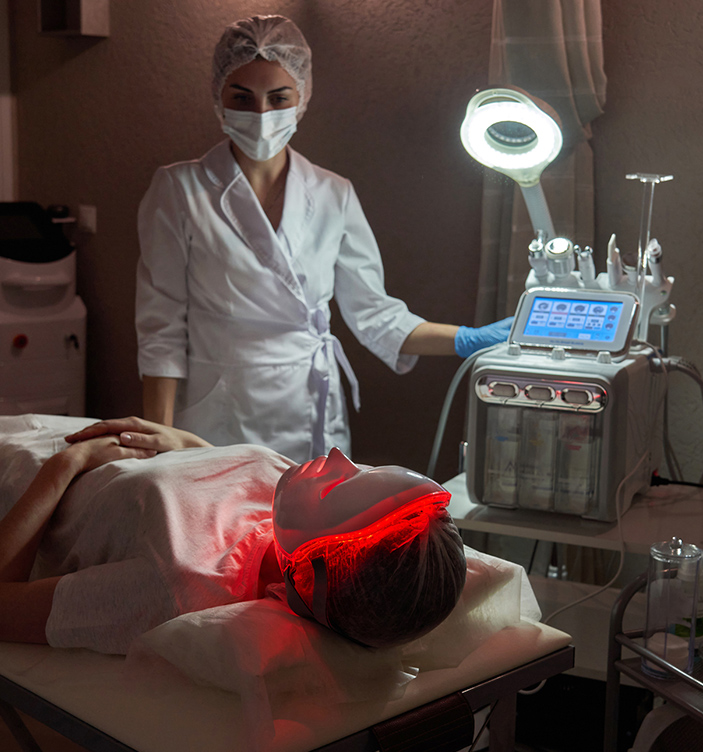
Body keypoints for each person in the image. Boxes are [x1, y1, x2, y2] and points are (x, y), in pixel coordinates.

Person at [136, 14, 513, 463]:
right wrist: (159, 445)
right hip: (218, 414)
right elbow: (162, 328)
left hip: (308, 406)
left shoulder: (334, 193)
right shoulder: (180, 190)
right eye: (242, 97)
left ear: (302, 98)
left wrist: (467, 339)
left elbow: (375, 314)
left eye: (278, 98)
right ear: (219, 96)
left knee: (313, 508)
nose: (261, 115)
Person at [0, 416, 465, 654]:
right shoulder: (292, 510)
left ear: (308, 575)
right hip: (49, 432)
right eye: (364, 470)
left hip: (20, 475)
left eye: (341, 486)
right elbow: (223, 490)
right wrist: (187, 445)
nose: (339, 457)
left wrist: (67, 465)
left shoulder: (176, 582)